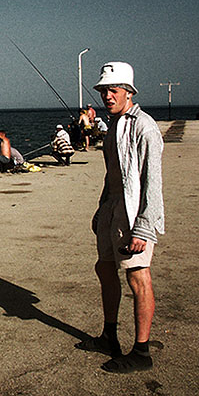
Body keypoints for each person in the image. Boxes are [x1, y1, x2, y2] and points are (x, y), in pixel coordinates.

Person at [75, 62, 164, 373]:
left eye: (113, 90)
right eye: (103, 90)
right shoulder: (114, 124)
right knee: (104, 267)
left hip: (134, 214)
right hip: (113, 208)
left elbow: (153, 182)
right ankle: (108, 336)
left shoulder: (145, 127)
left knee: (138, 276)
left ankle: (141, 353)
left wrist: (144, 227)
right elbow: (112, 173)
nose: (107, 95)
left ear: (129, 92)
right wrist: (102, 209)